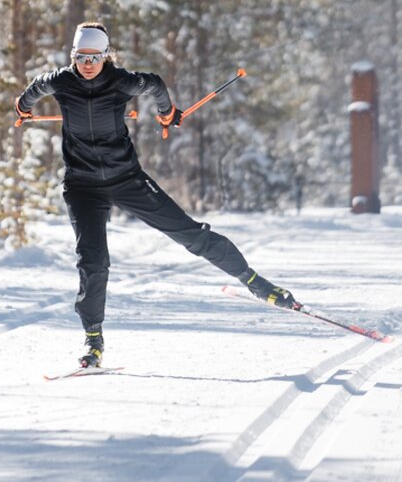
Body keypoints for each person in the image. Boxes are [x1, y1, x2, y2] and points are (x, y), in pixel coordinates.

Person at [15, 21, 297, 369]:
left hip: (126, 179)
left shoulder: (121, 81)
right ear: (73, 56)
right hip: (82, 186)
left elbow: (156, 85)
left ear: (106, 56)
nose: (87, 64)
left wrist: (167, 113)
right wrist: (22, 108)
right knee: (93, 261)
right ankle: (93, 338)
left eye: (94, 57)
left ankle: (254, 281)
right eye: (81, 57)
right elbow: (31, 91)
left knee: (188, 232)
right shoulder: (61, 81)